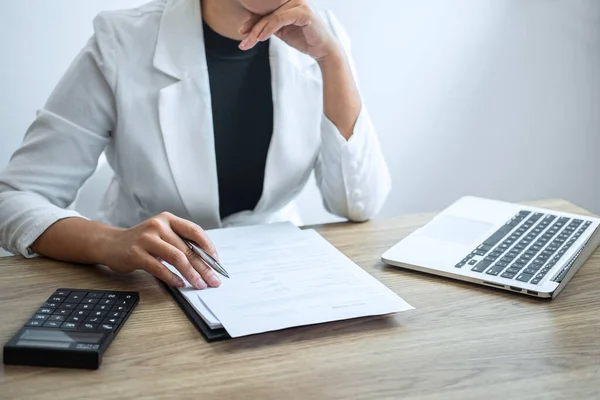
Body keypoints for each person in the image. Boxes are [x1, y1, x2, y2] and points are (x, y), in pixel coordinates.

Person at [0, 0, 390, 290]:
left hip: (276, 282)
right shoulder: (122, 40)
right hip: (146, 287)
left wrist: (331, 58)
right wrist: (109, 242)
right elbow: (15, 198)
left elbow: (357, 204)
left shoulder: (323, 36)